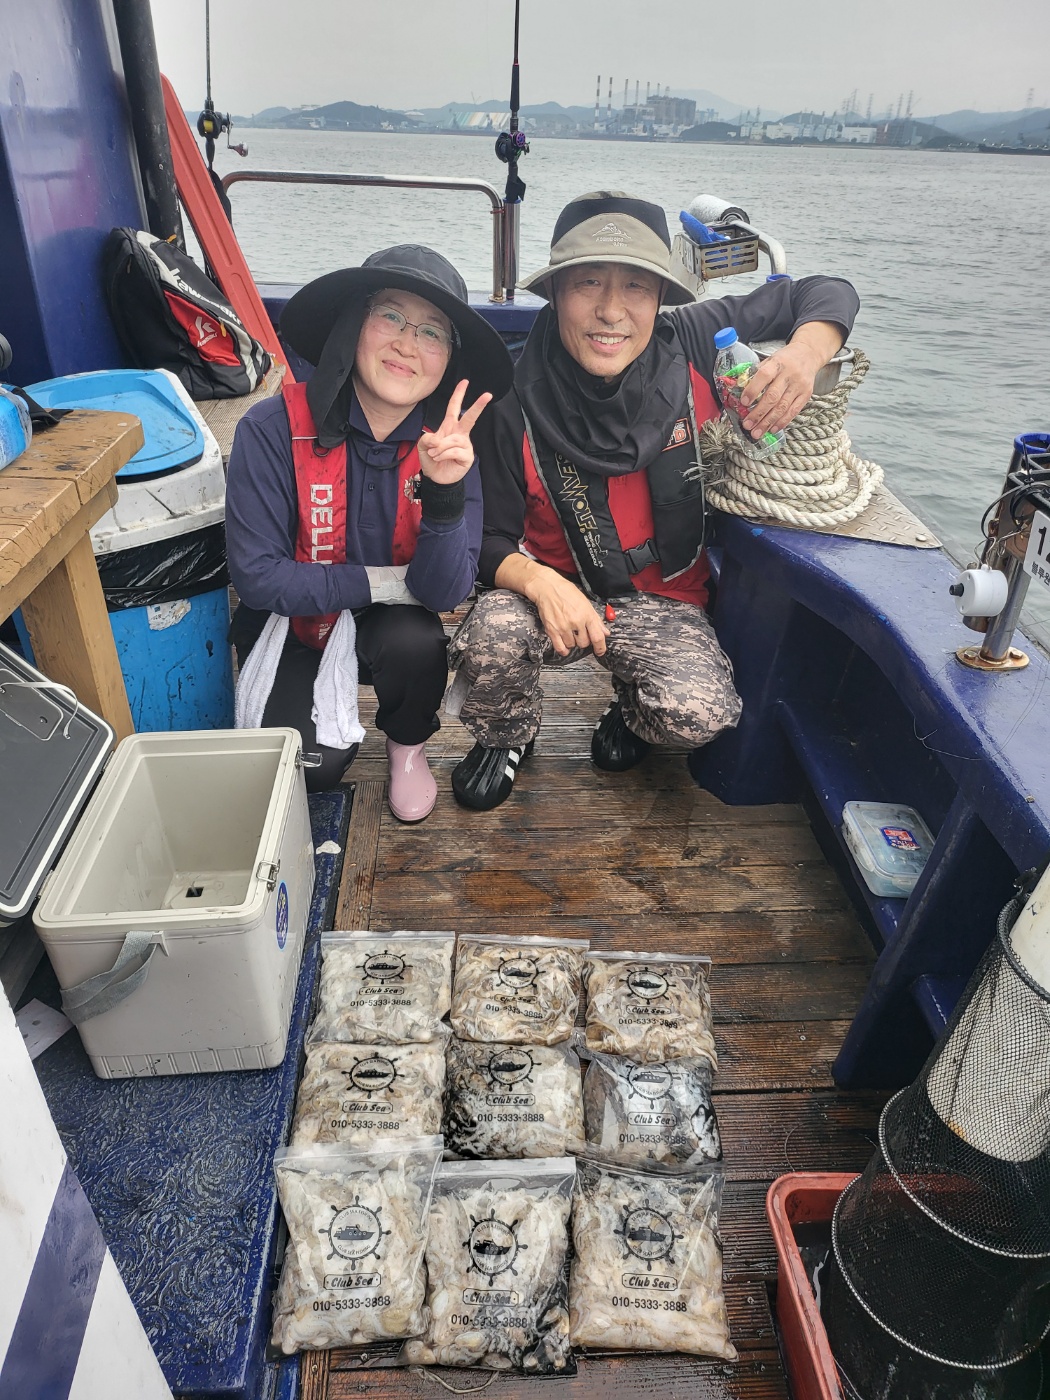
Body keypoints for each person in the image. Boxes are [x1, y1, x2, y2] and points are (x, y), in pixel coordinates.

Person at [448, 191, 860, 810]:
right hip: (559, 591)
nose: (611, 311)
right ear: (555, 291)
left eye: (636, 286)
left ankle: (632, 711)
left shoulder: (692, 339)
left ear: (662, 295)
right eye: (588, 282)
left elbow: (827, 291)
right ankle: (508, 733)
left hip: (662, 598)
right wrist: (538, 581)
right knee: (492, 634)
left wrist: (803, 356)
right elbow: (487, 541)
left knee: (699, 713)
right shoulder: (509, 398)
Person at [225, 245, 512, 819]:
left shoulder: (450, 448)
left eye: (432, 332)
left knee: (417, 642)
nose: (408, 344)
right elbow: (258, 578)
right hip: (294, 621)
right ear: (354, 323)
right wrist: (382, 582)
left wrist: (445, 493)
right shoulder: (270, 428)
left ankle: (408, 747)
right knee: (310, 771)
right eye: (392, 316)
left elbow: (444, 591)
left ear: (448, 358)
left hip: (393, 625)